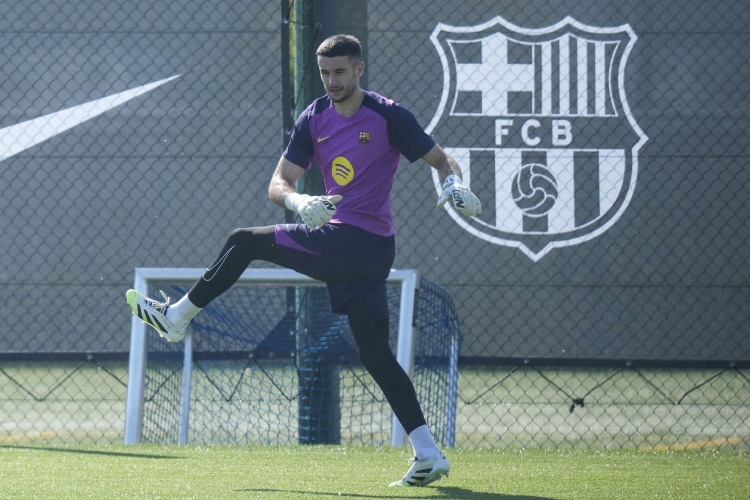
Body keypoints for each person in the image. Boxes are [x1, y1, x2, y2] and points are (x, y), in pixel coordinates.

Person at [126, 34, 481, 487]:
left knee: (243, 241)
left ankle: (176, 317)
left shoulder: (388, 114)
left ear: (359, 69)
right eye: (325, 72)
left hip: (361, 243)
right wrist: (300, 202)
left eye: (340, 71)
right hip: (352, 245)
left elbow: (441, 159)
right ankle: (428, 453)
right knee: (376, 355)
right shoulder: (314, 117)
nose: (332, 81)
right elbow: (279, 183)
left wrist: (453, 185)